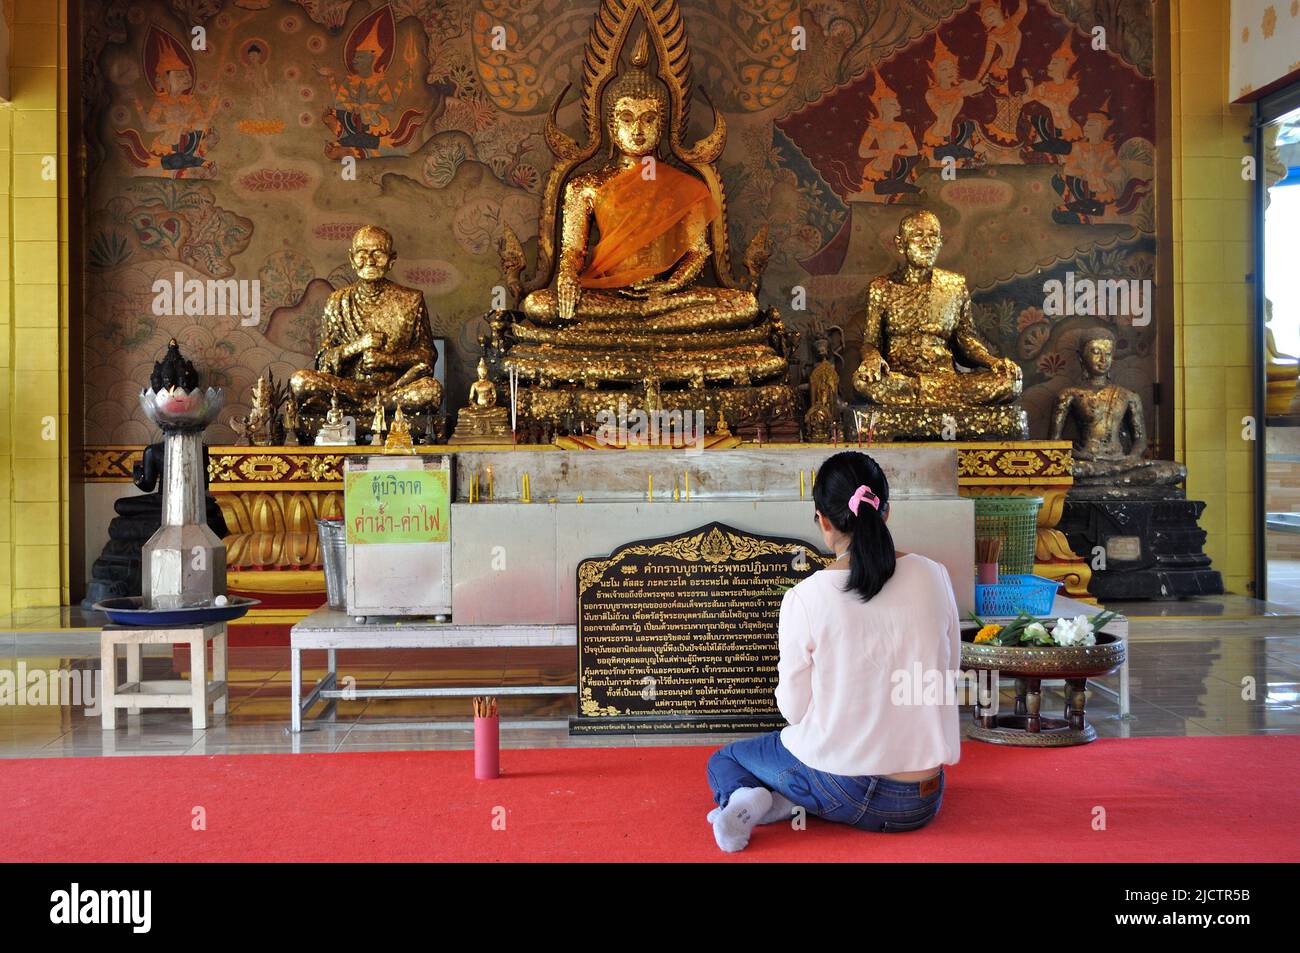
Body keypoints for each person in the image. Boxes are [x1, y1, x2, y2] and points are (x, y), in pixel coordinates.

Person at [705, 451, 961, 852]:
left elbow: (794, 711)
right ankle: (784, 799)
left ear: (823, 521)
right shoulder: (934, 574)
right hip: (924, 797)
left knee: (726, 760)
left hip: (852, 793)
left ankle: (747, 799)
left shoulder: (806, 597)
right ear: (886, 512)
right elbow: (949, 668)